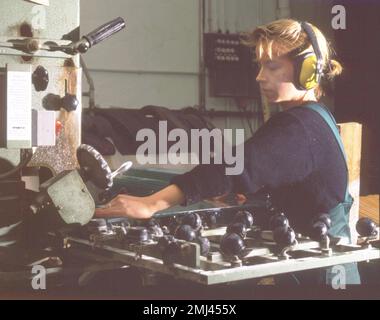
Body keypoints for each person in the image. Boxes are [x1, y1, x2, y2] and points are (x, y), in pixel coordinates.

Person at [95, 19, 360, 285]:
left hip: (323, 276)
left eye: (272, 65)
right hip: (313, 261)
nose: (259, 76)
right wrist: (245, 190)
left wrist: (151, 204)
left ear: (308, 71)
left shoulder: (300, 125)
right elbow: (291, 176)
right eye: (259, 65)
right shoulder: (316, 115)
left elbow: (233, 166)